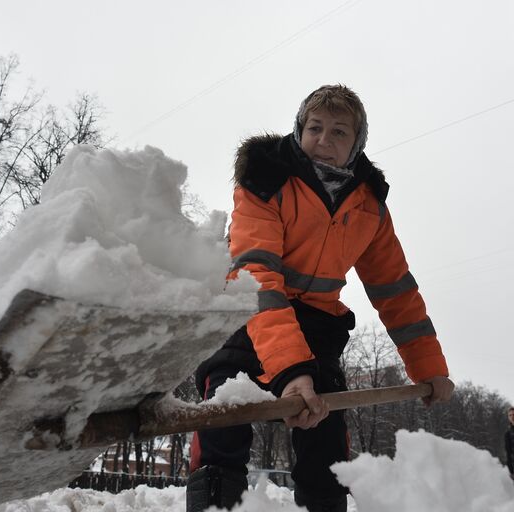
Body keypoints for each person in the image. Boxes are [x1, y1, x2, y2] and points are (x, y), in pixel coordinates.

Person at [185, 85, 454, 512]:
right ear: (299, 130)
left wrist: (430, 369)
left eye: (339, 132)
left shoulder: (368, 206)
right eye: (315, 128)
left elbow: (396, 290)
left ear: (357, 144)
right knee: (223, 409)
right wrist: (291, 371)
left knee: (325, 437)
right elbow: (257, 276)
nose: (324, 141)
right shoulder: (265, 179)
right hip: (247, 317)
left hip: (318, 328)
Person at [506, 406, 514, 480]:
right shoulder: (507, 433)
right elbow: (508, 453)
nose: (512, 417)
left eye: (513, 414)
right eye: (510, 415)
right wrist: (511, 471)